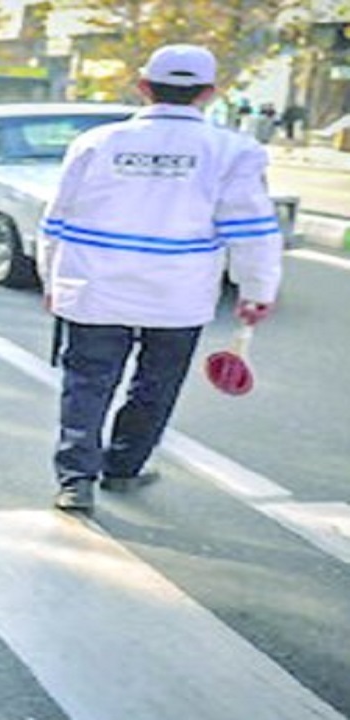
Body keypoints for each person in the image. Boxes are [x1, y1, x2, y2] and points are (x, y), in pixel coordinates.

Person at [38, 45, 283, 513]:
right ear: (209, 93)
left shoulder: (96, 143)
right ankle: (123, 468)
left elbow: (57, 218)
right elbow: (252, 230)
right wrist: (256, 291)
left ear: (143, 86)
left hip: (95, 288)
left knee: (86, 384)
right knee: (156, 385)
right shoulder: (233, 151)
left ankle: (75, 481)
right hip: (178, 296)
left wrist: (53, 280)